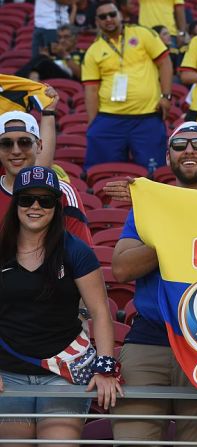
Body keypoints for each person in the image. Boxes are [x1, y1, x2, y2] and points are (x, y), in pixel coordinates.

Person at [109, 122, 197, 444]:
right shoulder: (151, 207)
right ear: (168, 156)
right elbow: (121, 269)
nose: (189, 150)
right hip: (149, 340)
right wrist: (181, 232)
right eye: (179, 145)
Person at [0, 166, 122, 443]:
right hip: (8, 373)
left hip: (63, 372)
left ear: (57, 206)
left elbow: (100, 312)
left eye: (45, 200)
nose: (35, 207)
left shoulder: (76, 250)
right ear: (15, 203)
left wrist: (105, 368)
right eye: (26, 199)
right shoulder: (2, 248)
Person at [82, 0, 172, 171]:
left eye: (112, 14)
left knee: (155, 173)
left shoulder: (143, 33)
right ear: (97, 21)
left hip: (147, 116)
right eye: (103, 16)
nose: (109, 19)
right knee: (103, 171)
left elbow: (165, 63)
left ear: (120, 15)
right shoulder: (93, 50)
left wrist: (166, 96)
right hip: (110, 118)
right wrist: (93, 123)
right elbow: (91, 90)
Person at [0, 111, 93, 246]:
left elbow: (82, 256)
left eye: (24, 142)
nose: (16, 151)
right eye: (6, 144)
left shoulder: (62, 191)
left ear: (39, 146)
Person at [18, 25, 84, 81]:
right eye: (60, 37)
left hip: (69, 80)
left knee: (44, 62)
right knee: (40, 58)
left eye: (66, 37)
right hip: (49, 80)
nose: (62, 40)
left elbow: (81, 75)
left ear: (75, 38)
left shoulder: (82, 54)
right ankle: (15, 80)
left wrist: (65, 55)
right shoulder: (54, 54)